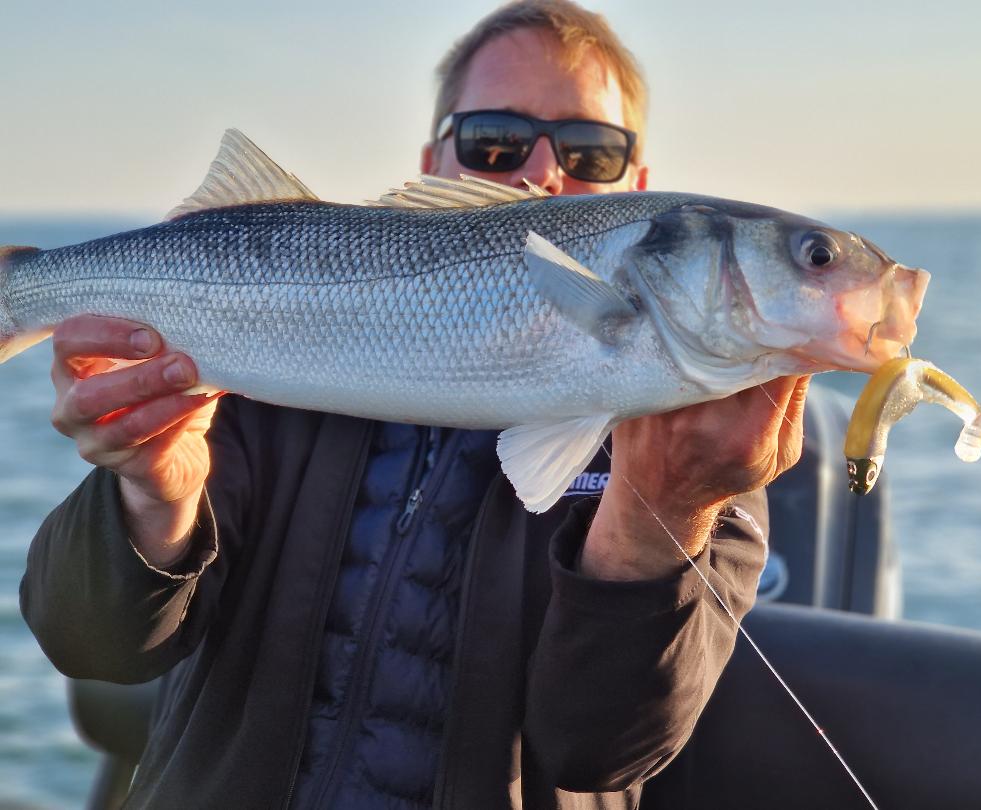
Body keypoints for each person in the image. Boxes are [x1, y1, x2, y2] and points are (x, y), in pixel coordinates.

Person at [21, 2, 809, 808]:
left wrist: (661, 520)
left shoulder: (706, 452)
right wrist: (153, 495)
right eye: (493, 141)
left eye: (590, 152)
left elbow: (599, 754)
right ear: (433, 158)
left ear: (642, 195)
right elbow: (92, 643)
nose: (539, 173)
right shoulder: (253, 375)